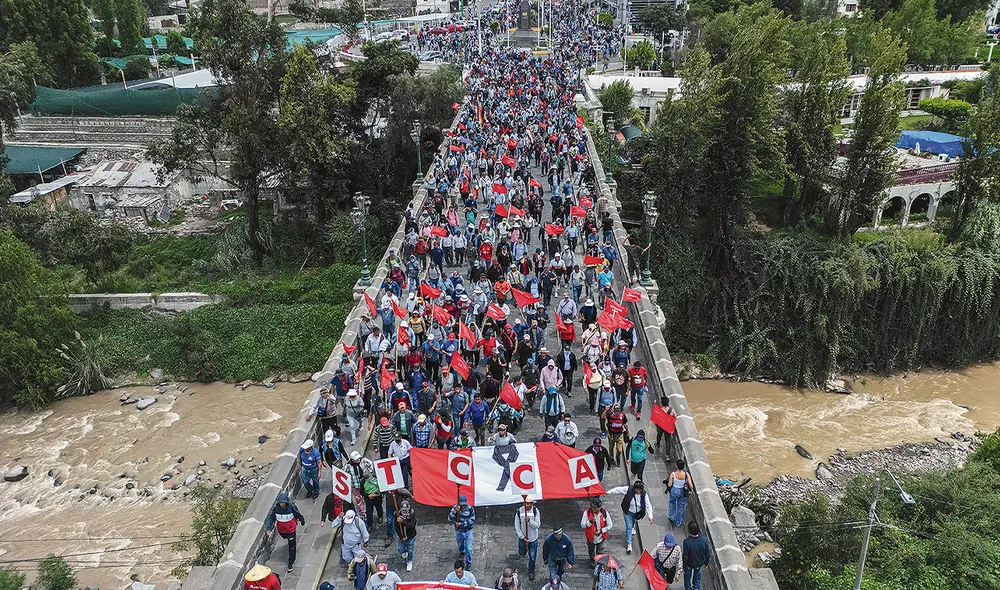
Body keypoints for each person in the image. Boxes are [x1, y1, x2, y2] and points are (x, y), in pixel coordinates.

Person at [605, 480, 654, 554]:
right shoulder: (629, 490)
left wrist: (650, 516)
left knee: (632, 523)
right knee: (628, 526)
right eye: (637, 489)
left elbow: (648, 505)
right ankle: (629, 544)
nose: (638, 491)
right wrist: (609, 492)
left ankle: (632, 528)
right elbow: (619, 490)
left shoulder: (644, 495)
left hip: (637, 513)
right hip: (628, 512)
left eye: (639, 490)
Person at [264, 492, 305, 572]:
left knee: (292, 546)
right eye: (281, 503)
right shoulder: (276, 509)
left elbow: (297, 514)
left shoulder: (291, 507)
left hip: (291, 530)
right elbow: (271, 518)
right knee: (285, 537)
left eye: (283, 503)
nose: (282, 505)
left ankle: (291, 563)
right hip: (282, 530)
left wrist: (302, 520)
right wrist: (268, 528)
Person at [515, 499, 542, 581]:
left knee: (532, 557)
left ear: (531, 504)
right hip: (523, 539)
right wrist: (522, 537)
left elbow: (537, 525)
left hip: (533, 539)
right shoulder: (519, 512)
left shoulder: (535, 511)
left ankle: (531, 571)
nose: (527, 505)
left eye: (528, 503)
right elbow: (517, 526)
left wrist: (530, 521)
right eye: (525, 503)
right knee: (522, 552)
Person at [449, 494, 476, 570]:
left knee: (469, 549)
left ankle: (468, 564)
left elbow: (472, 520)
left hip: (468, 531)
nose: (463, 506)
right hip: (459, 531)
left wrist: (462, 524)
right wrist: (454, 512)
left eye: (464, 505)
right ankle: (462, 551)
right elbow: (449, 518)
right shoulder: (455, 508)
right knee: (460, 544)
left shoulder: (470, 509)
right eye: (461, 504)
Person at [580, 497, 613, 562]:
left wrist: (601, 531)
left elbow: (610, 525)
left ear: (599, 507)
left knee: (600, 551)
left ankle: (599, 562)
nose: (593, 509)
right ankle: (592, 559)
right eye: (592, 507)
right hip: (590, 537)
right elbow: (582, 525)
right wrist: (590, 521)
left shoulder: (604, 513)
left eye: (595, 508)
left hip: (601, 537)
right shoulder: (587, 512)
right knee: (591, 550)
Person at [682, 522, 710, 590]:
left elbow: (685, 555)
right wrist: (706, 562)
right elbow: (708, 552)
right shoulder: (704, 540)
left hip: (689, 564)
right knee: (697, 580)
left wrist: (684, 565)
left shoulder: (686, 542)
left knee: (687, 580)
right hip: (699, 563)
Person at [667, 459, 692, 528]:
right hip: (683, 492)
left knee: (672, 502)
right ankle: (678, 522)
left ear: (676, 466)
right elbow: (691, 485)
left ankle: (672, 517)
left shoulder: (673, 474)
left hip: (675, 490)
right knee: (681, 507)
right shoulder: (686, 474)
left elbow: (669, 484)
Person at [394, 500, 417, 572]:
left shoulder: (412, 514)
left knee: (410, 550)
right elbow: (396, 527)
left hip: (410, 536)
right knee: (400, 549)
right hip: (401, 536)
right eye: (403, 510)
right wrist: (401, 537)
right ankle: (404, 552)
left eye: (405, 510)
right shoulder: (396, 514)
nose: (404, 512)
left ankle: (409, 561)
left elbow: (411, 525)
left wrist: (403, 521)